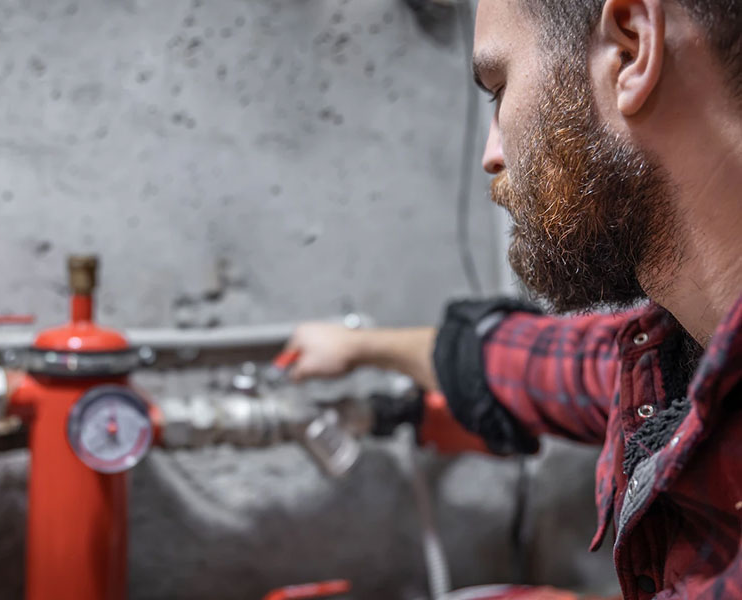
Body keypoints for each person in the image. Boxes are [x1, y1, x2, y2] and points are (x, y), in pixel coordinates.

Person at [285, 1, 742, 598]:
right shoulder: (681, 350)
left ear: (630, 50)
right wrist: (362, 347)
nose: (491, 155)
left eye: (499, 88)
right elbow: (547, 364)